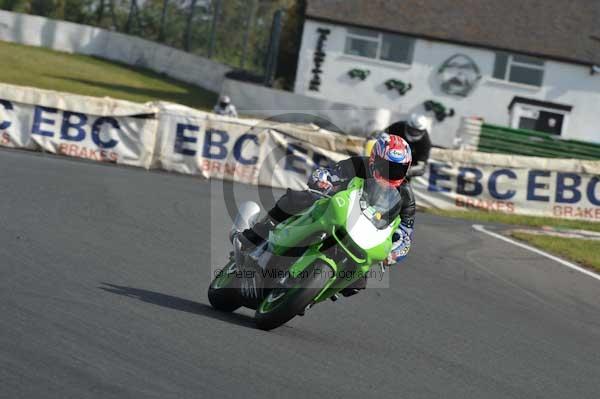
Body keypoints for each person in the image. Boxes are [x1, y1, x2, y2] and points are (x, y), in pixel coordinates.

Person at [240, 135, 416, 297]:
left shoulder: (406, 197)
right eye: (385, 166)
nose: (389, 173)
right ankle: (259, 232)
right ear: (374, 159)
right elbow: (329, 172)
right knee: (298, 199)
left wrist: (393, 252)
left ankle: (312, 294)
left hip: (364, 232)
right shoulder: (358, 165)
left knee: (357, 283)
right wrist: (322, 181)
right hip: (335, 209)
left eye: (396, 170)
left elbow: (404, 234)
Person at [384, 113, 432, 177]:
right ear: (407, 125)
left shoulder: (425, 142)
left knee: (421, 170)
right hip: (387, 157)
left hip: (406, 166)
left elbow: (421, 164)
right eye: (412, 130)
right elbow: (383, 135)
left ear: (422, 131)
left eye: (417, 131)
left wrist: (408, 171)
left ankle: (402, 181)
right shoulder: (398, 126)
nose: (414, 133)